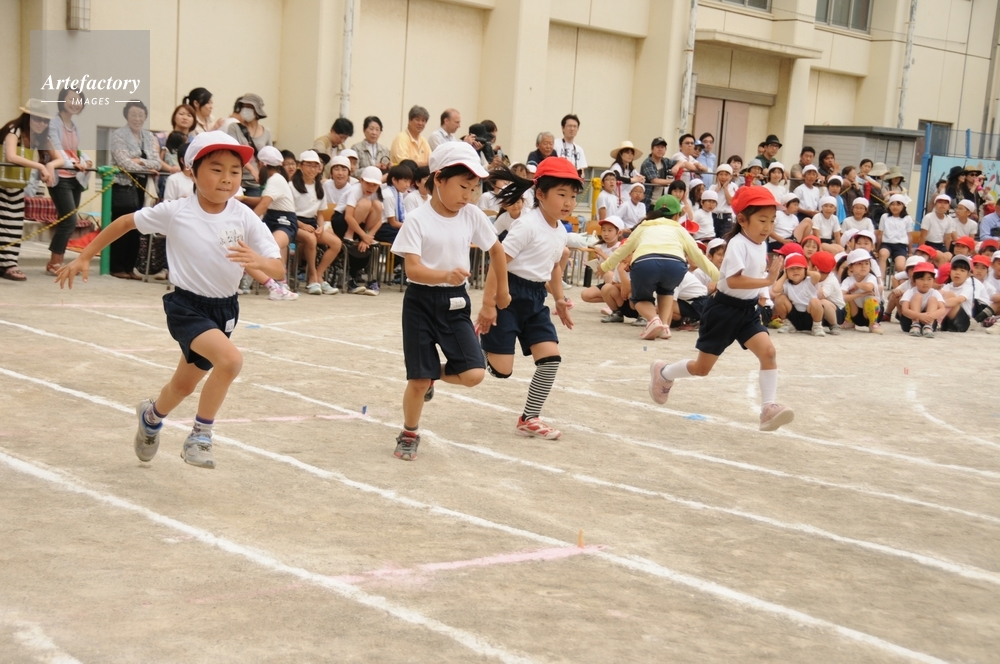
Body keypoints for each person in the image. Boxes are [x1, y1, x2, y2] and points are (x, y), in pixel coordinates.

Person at [56, 131, 284, 469]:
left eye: (235, 171)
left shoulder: (244, 216)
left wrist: (260, 262)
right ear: (192, 171)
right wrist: (85, 255)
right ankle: (200, 436)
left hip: (224, 310)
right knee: (230, 361)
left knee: (183, 386)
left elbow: (278, 268)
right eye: (216, 169)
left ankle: (150, 417)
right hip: (186, 306)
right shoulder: (176, 211)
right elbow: (125, 223)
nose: (227, 178)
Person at [389, 141, 510, 460]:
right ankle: (409, 432)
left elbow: (496, 250)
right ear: (439, 179)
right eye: (462, 186)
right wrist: (444, 275)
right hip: (420, 303)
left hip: (456, 303)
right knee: (417, 381)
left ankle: (431, 373)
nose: (467, 196)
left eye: (473, 188)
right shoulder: (417, 219)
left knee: (474, 374)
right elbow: (412, 269)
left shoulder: (471, 215)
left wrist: (499, 294)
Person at [648, 186, 793, 432]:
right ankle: (665, 372)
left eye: (772, 220)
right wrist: (767, 281)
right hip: (723, 310)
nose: (768, 227)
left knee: (768, 352)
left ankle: (768, 408)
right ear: (742, 220)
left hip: (747, 310)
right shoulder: (737, 244)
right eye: (762, 220)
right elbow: (733, 281)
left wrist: (763, 291)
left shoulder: (760, 243)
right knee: (701, 369)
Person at [477, 158, 579, 440]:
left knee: (550, 359)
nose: (568, 202)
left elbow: (554, 267)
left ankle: (529, 417)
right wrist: (489, 304)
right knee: (501, 371)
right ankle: (465, 352)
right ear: (541, 194)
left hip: (535, 299)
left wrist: (559, 300)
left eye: (573, 196)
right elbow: (498, 263)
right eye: (561, 194)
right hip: (509, 295)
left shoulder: (560, 230)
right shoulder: (527, 225)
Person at [599, 194, 719, 340]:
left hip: (646, 263)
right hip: (676, 264)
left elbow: (623, 250)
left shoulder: (644, 226)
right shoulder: (680, 229)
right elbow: (698, 257)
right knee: (667, 291)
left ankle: (653, 320)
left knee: (639, 299)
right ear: (677, 215)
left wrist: (605, 266)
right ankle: (665, 327)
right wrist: (718, 277)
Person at [0, 100, 63, 282]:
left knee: (14, 226)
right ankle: (7, 265)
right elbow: (11, 156)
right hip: (2, 184)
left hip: (16, 185)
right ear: (27, 117)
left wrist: (50, 165)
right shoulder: (14, 131)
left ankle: (9, 264)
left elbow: (59, 158)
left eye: (45, 120)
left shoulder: (41, 137)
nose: (41, 123)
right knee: (3, 225)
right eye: (37, 119)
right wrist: (40, 166)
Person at [108, 100, 162, 280]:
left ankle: (130, 267)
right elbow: (123, 162)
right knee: (121, 225)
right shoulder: (118, 134)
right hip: (124, 186)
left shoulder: (149, 136)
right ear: (126, 115)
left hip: (143, 187)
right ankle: (116, 267)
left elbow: (157, 162)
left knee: (138, 227)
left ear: (145, 117)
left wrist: (139, 161)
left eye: (140, 115)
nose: (137, 118)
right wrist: (146, 167)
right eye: (133, 114)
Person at [241, 145, 299, 301]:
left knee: (270, 247)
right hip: (271, 219)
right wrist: (243, 199)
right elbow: (264, 200)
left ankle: (279, 285)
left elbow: (264, 204)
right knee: (255, 248)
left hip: (285, 221)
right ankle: (277, 285)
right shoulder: (274, 179)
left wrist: (247, 223)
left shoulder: (275, 180)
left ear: (262, 165)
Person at [46, 88, 93, 277]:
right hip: (61, 177)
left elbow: (76, 151)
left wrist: (86, 160)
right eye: (71, 99)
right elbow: (57, 149)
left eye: (78, 100)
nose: (75, 103)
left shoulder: (74, 126)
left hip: (75, 178)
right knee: (70, 221)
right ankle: (54, 262)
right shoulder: (53, 123)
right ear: (62, 100)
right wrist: (73, 163)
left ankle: (58, 260)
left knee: (68, 222)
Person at [292, 150, 341, 295]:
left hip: (312, 223)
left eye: (315, 166)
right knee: (311, 239)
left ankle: (319, 275)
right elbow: (288, 212)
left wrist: (320, 227)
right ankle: (312, 277)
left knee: (336, 243)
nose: (312, 169)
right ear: (300, 165)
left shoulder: (319, 187)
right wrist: (302, 225)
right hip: (295, 222)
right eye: (309, 165)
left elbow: (320, 213)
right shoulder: (291, 186)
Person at [773, 252, 835, 336]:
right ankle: (787, 324)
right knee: (779, 298)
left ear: (805, 269)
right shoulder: (787, 283)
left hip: (811, 316)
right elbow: (775, 289)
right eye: (791, 268)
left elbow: (817, 275)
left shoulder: (809, 281)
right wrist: (785, 275)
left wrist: (805, 272)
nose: (795, 271)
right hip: (795, 317)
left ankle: (817, 327)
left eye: (799, 268)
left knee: (815, 301)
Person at [226, 93, 272, 197]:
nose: (245, 109)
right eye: (243, 106)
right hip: (237, 180)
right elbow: (234, 152)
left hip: (256, 183)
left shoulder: (267, 132)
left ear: (257, 110)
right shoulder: (234, 128)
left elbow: (270, 157)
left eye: (249, 106)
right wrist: (252, 170)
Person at [897, 261, 945, 337]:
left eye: (929, 279)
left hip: (929, 321)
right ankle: (915, 325)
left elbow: (942, 309)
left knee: (933, 299)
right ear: (914, 280)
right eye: (922, 279)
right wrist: (919, 316)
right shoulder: (910, 292)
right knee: (917, 296)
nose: (925, 282)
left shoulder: (934, 292)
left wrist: (929, 316)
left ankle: (928, 326)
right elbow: (905, 310)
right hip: (910, 322)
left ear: (933, 280)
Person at [841, 248, 883, 333]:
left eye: (867, 263)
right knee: (847, 298)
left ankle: (873, 324)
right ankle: (849, 321)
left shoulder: (871, 277)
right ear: (850, 267)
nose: (864, 266)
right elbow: (841, 297)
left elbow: (868, 287)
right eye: (859, 263)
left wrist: (857, 284)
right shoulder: (848, 280)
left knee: (870, 300)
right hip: (856, 315)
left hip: (873, 314)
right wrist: (860, 295)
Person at [377, 164, 414, 244]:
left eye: (409, 181)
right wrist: (409, 227)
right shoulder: (388, 194)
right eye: (405, 181)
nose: (407, 185)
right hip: (381, 227)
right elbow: (392, 222)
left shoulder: (399, 193)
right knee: (406, 237)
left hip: (391, 226)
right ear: (394, 180)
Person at [640, 137, 677, 208]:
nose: (660, 149)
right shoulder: (647, 163)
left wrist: (676, 167)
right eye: (657, 147)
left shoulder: (664, 161)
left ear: (665, 150)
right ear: (652, 149)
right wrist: (673, 182)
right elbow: (654, 180)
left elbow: (681, 162)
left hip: (660, 202)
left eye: (662, 147)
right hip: (647, 201)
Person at [920, 194, 954, 263]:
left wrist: (946, 250)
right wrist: (921, 250)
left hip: (940, 245)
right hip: (928, 244)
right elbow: (923, 236)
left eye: (945, 203)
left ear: (949, 207)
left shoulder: (949, 219)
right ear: (935, 205)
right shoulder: (928, 217)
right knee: (941, 257)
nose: (942, 205)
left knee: (950, 257)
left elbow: (947, 238)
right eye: (940, 202)